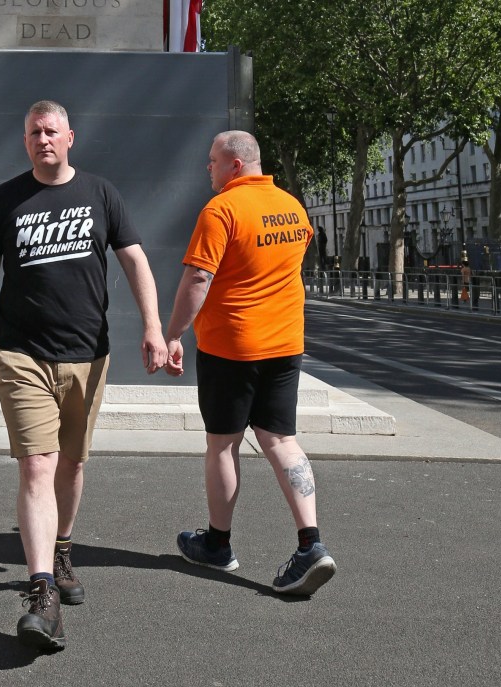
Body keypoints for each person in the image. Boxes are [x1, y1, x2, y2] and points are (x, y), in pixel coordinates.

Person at [0, 100, 168, 649]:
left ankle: (61, 550)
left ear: (70, 137)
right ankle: (41, 594)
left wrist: (152, 326)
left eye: (51, 131)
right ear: (25, 140)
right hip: (19, 353)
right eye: (33, 132)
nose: (42, 139)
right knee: (38, 465)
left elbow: (135, 261)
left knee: (72, 465)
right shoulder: (6, 198)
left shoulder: (101, 194)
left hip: (88, 354)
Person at [161, 130, 336, 596]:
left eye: (213, 161)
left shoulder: (221, 210)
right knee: (282, 440)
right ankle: (311, 544)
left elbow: (199, 276)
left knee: (223, 444)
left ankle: (218, 544)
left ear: (234, 165)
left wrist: (172, 333)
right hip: (285, 344)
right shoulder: (293, 207)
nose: (208, 169)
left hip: (232, 347)